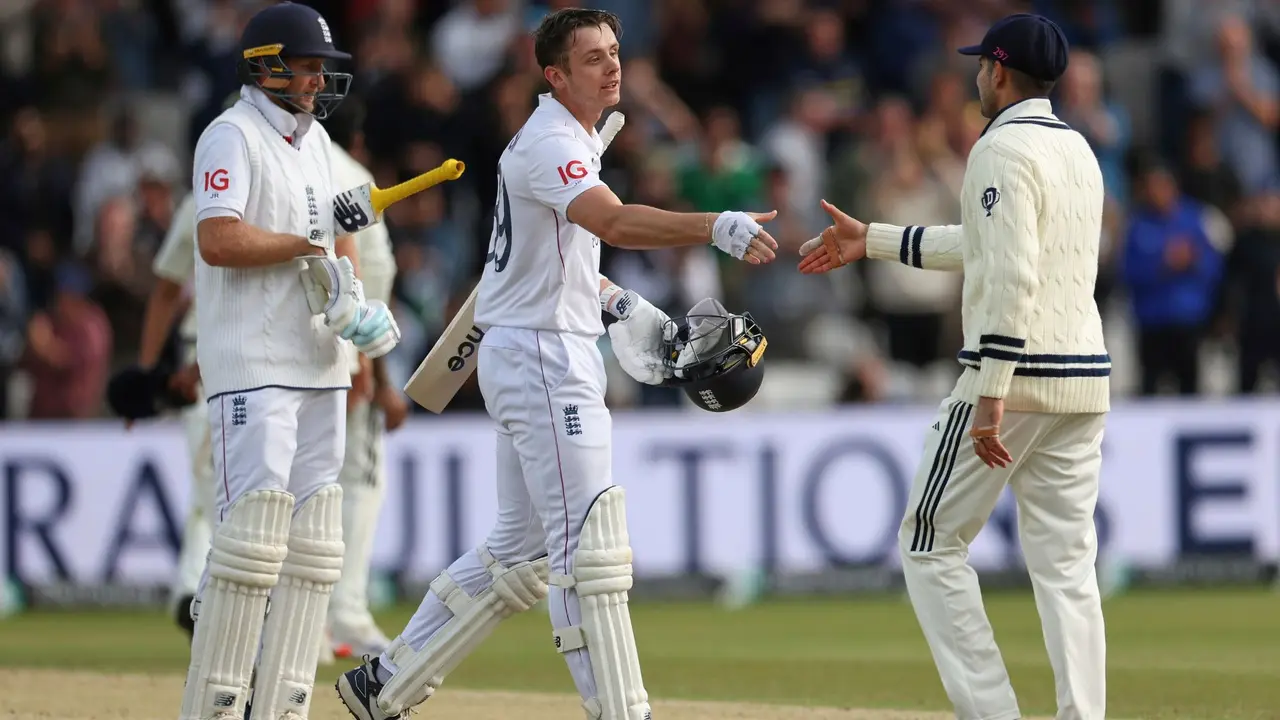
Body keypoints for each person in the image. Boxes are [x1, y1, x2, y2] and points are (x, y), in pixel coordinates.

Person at [336, 8, 777, 720]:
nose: (613, 66)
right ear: (555, 75)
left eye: (615, 51)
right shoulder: (550, 142)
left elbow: (543, 260)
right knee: (588, 547)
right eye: (593, 58)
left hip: (535, 344)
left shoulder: (569, 138)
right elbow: (614, 221)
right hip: (543, 356)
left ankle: (384, 680)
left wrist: (615, 301)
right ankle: (621, 711)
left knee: (519, 547)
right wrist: (713, 226)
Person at [798, 14, 1109, 720]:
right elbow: (981, 242)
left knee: (929, 541)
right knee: (1067, 567)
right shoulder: (1078, 150)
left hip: (1015, 379)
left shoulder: (999, 150)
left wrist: (992, 394)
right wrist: (872, 239)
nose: (974, 78)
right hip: (1084, 381)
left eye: (979, 67)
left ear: (999, 71)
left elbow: (1009, 278)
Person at [179, 3, 401, 720]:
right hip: (254, 363)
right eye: (305, 67)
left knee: (311, 549)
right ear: (265, 64)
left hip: (321, 364)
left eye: (321, 69)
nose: (315, 81)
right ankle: (218, 702)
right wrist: (308, 249)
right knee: (250, 544)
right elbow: (218, 240)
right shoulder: (230, 136)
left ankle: (278, 705)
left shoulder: (317, 142)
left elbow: (331, 238)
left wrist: (356, 305)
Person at [322, 98, 407, 661]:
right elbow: (370, 278)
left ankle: (304, 625)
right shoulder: (351, 177)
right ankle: (345, 617)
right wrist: (374, 373)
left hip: (279, 352)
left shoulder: (276, 161)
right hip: (347, 353)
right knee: (360, 479)